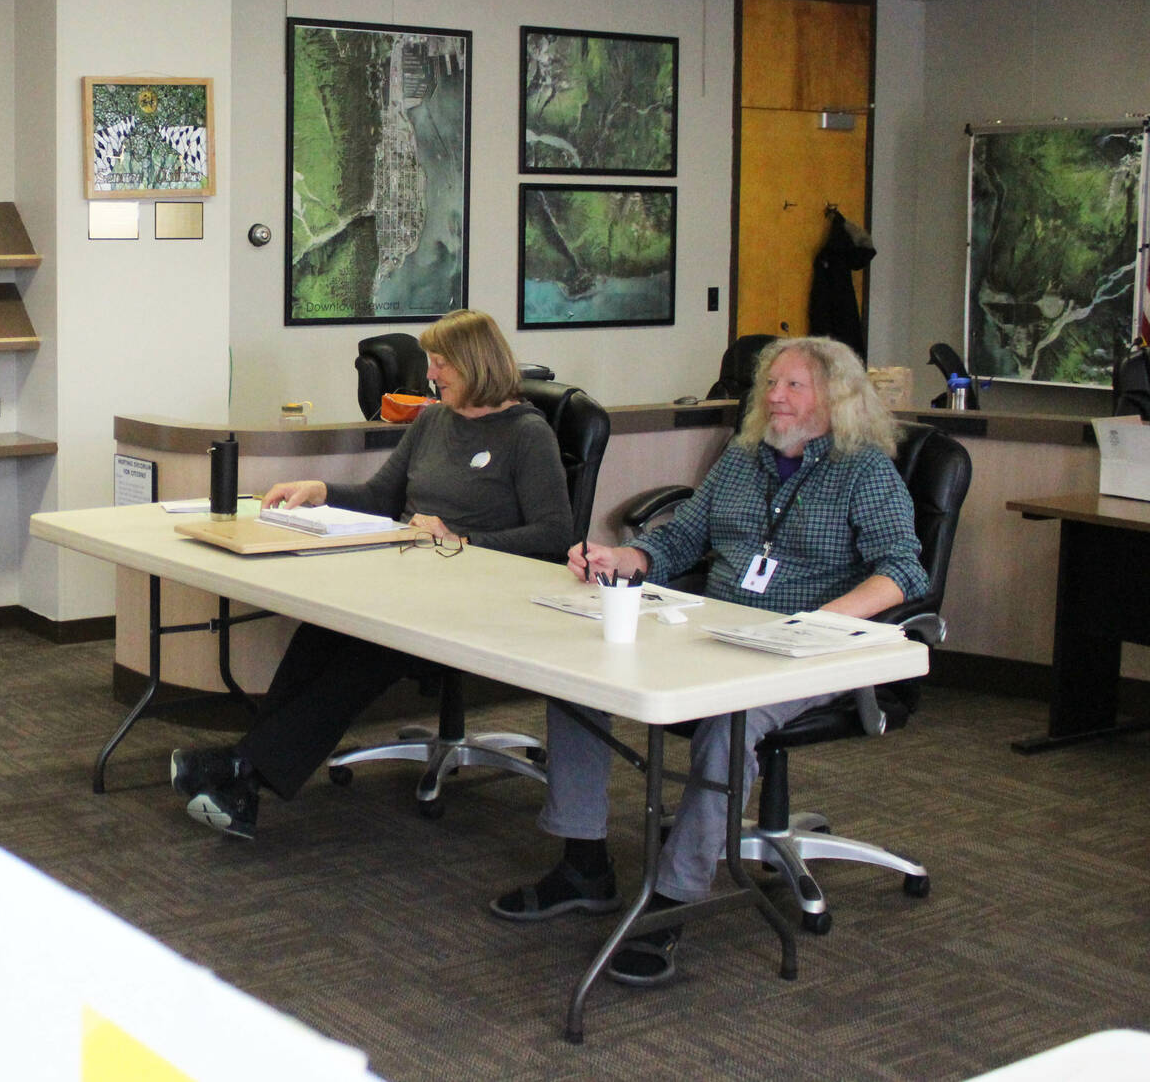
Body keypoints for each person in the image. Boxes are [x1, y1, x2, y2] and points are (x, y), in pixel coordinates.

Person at [490, 336, 926, 986]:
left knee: (730, 723)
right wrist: (625, 560)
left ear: (836, 399)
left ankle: (669, 900)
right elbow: (682, 537)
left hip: (806, 649)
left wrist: (825, 622)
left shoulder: (864, 470)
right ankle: (584, 863)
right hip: (712, 625)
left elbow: (903, 571)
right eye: (769, 383)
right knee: (577, 677)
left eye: (793, 385)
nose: (774, 396)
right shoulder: (742, 459)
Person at [170, 309, 571, 839]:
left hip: (479, 589)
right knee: (322, 628)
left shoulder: (526, 434)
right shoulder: (432, 420)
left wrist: (463, 540)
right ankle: (245, 774)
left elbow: (554, 534)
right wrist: (321, 491)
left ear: (476, 363)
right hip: (409, 574)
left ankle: (242, 767)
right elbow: (382, 498)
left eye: (442, 364)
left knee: (369, 647)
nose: (432, 375)